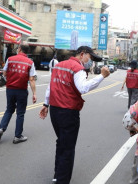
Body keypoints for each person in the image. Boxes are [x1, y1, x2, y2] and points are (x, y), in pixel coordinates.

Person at [39, 46, 110, 184]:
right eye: (90, 58)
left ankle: (57, 174)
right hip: (68, 112)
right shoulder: (78, 69)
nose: (91, 62)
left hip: (54, 110)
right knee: (68, 147)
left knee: (61, 142)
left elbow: (51, 86)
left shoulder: (59, 66)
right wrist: (102, 76)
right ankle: (62, 180)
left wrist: (45, 104)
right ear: (82, 54)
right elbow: (83, 88)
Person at [0, 43, 37, 144]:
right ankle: (17, 136)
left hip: (10, 89)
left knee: (9, 110)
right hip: (21, 90)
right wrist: (34, 93)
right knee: (20, 113)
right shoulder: (30, 62)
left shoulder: (10, 59)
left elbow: (4, 73)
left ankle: (1, 128)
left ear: (20, 49)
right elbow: (31, 80)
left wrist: (10, 79)